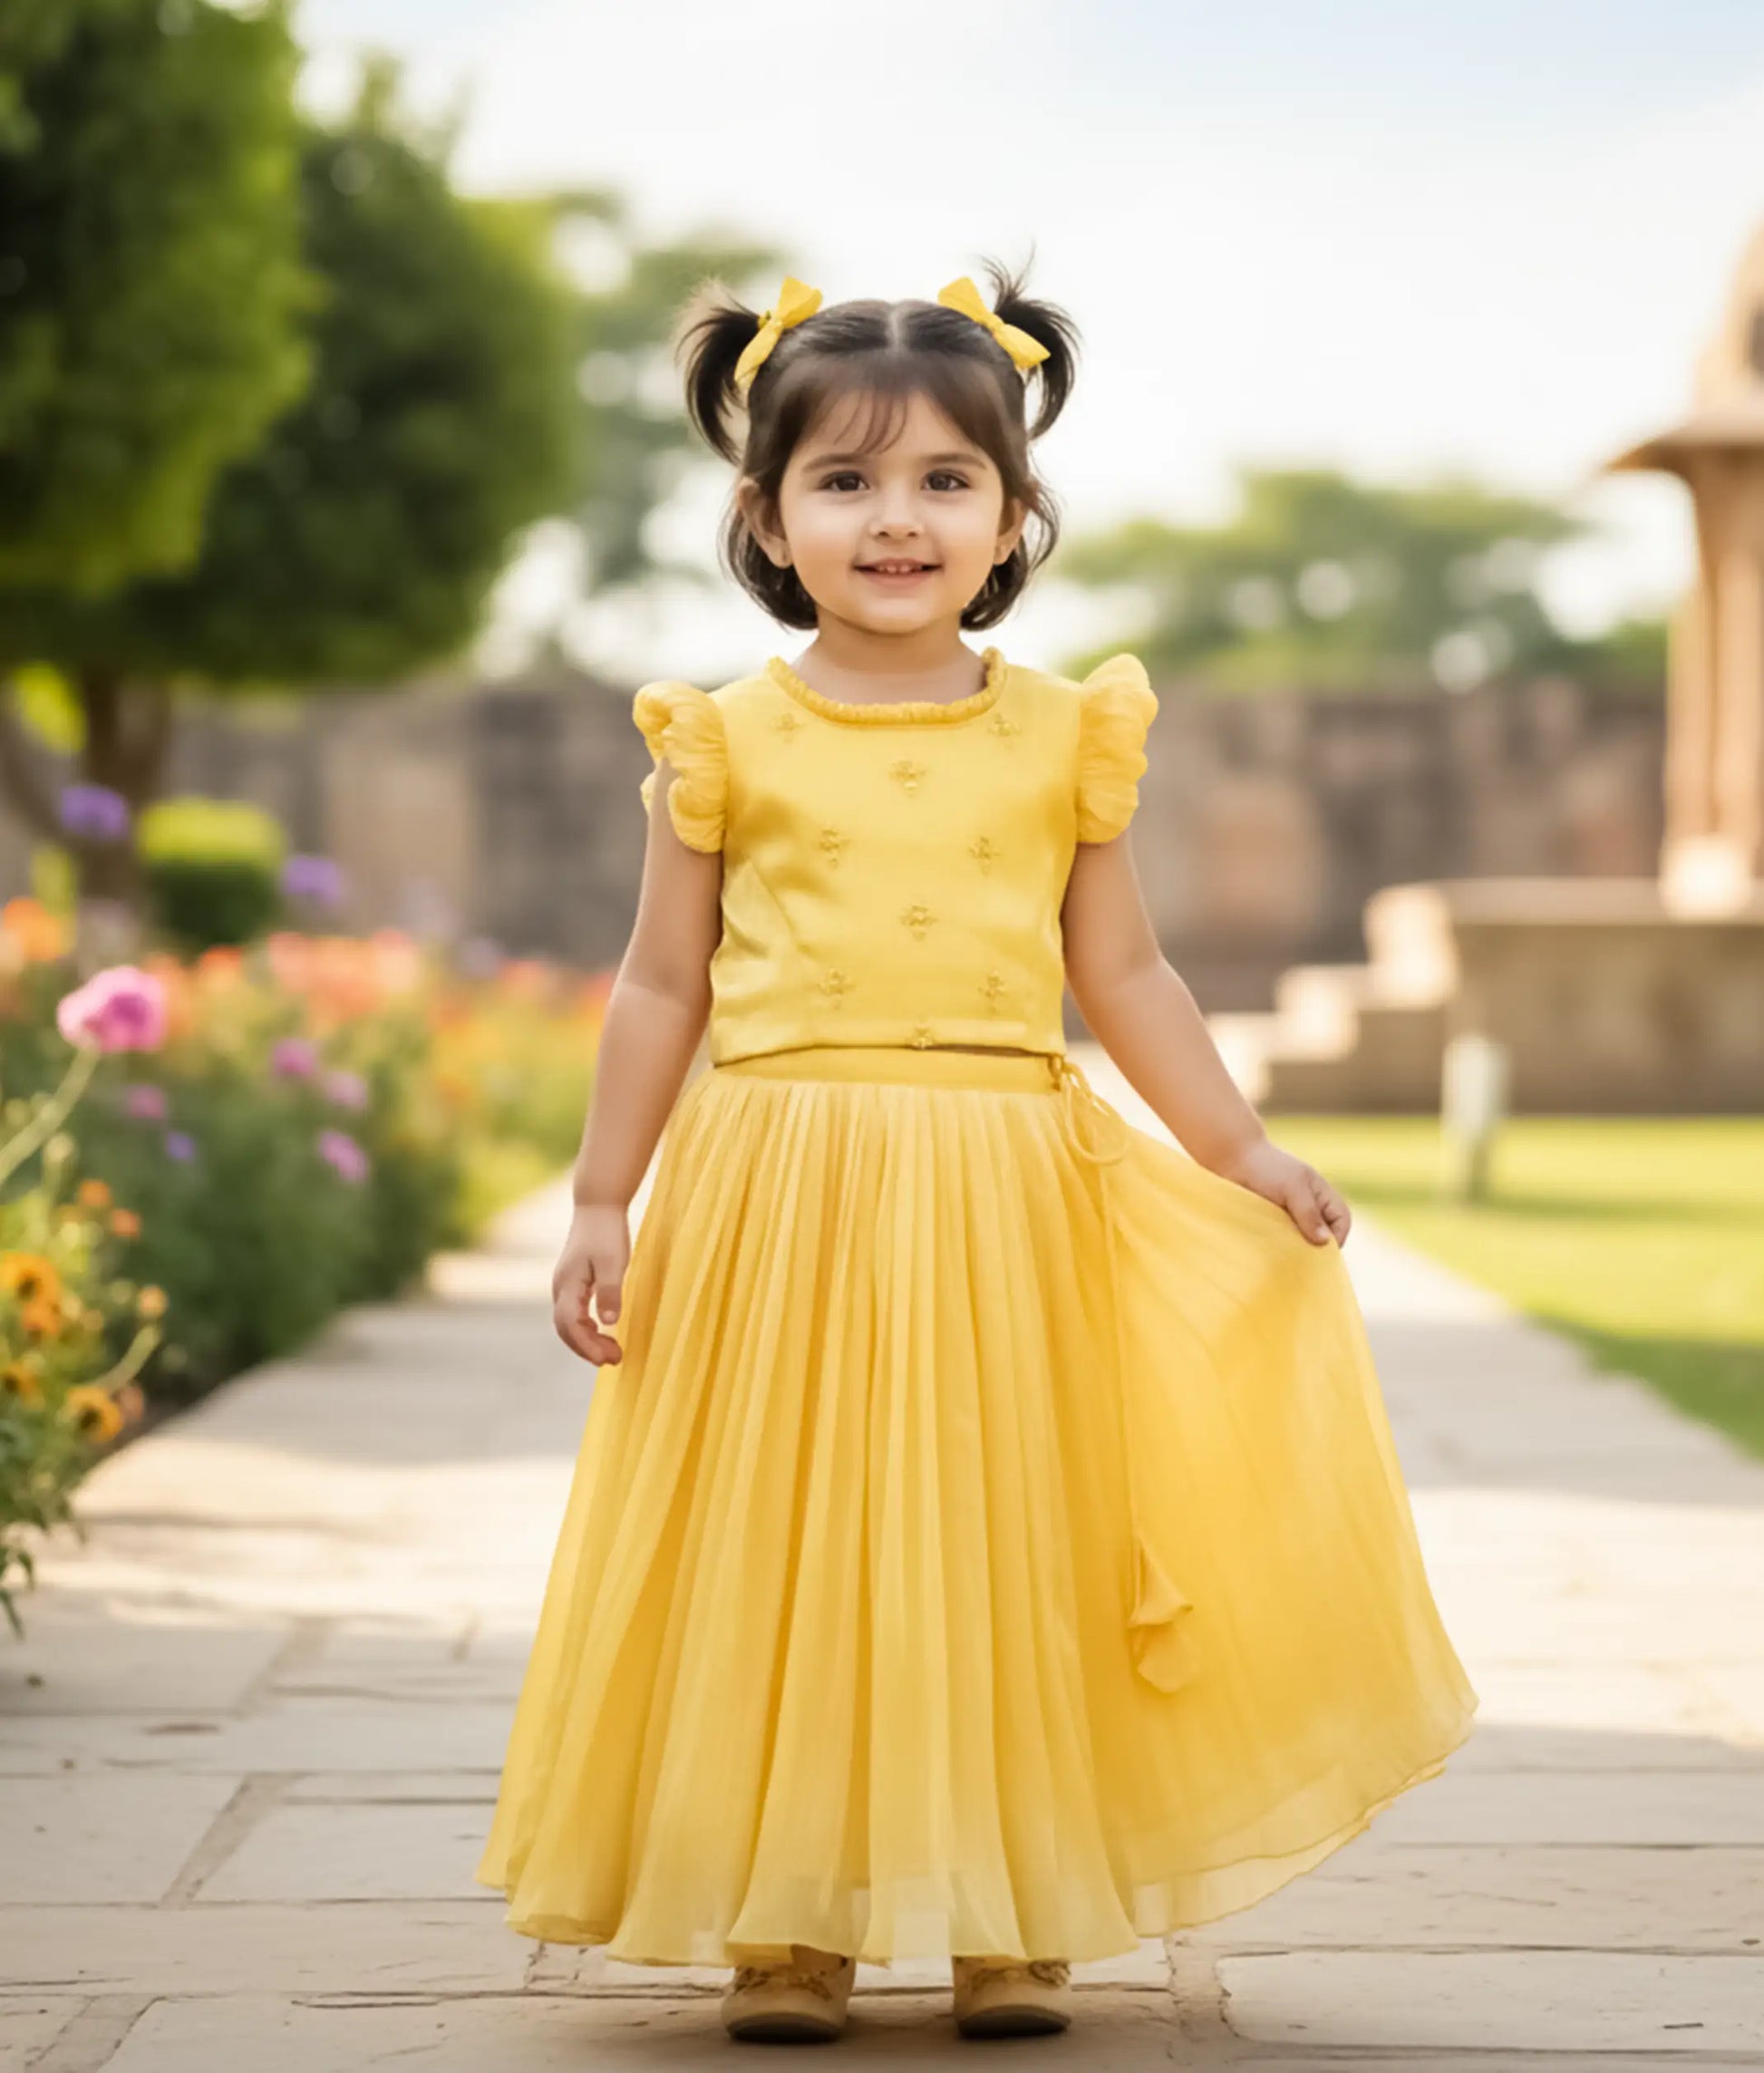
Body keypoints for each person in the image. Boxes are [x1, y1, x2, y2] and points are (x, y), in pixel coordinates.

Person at [474, 258, 1478, 2046]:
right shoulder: (723, 739)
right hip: (775, 1187)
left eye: (946, 479)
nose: (896, 518)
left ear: (1013, 519)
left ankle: (1013, 1912)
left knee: (1003, 1532)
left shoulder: (1062, 734)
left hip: (1003, 1187)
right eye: (844, 480)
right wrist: (604, 1196)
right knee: (778, 1541)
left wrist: (1239, 1147)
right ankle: (785, 1924)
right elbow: (658, 982)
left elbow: (1126, 972)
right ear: (765, 518)